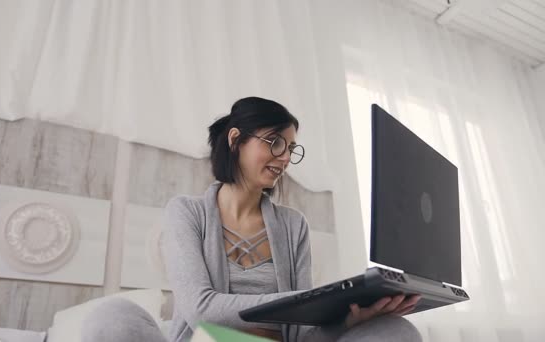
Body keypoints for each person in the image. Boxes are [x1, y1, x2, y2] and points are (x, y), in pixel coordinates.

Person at [161, 97, 422, 342]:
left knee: (397, 329)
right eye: (275, 142)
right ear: (235, 140)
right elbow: (201, 310)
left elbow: (303, 336)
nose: (286, 158)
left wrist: (350, 320)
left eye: (291, 149)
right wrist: (302, 301)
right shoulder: (186, 212)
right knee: (122, 313)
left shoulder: (294, 226)